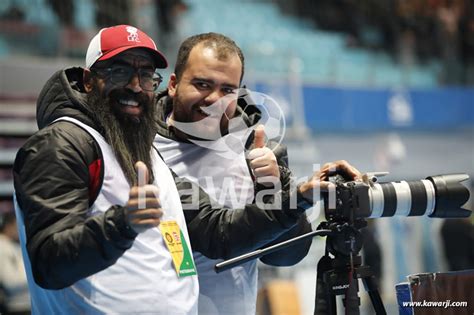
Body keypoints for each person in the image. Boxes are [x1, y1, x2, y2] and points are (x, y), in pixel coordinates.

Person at [13, 24, 360, 314]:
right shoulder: (68, 143)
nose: (135, 85)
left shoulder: (148, 153)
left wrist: (291, 195)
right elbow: (51, 260)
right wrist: (124, 222)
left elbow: (221, 232)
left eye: (145, 74)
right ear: (175, 84)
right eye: (120, 71)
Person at [152, 32, 352, 314]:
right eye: (202, 84)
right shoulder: (139, 145)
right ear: (173, 84)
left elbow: (287, 256)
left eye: (227, 90)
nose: (214, 100)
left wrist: (270, 187)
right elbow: (214, 233)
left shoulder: (257, 149)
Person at [0, 211, 30, 315]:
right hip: (16, 308)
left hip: (26, 305)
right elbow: (11, 283)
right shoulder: (2, 246)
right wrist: (37, 276)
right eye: (19, 225)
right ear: (9, 225)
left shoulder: (14, 245)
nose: (22, 229)